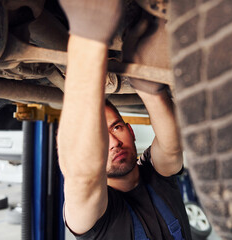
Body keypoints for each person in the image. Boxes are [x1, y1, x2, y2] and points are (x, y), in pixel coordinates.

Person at [56, 0, 192, 239]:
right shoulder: (94, 217)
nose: (114, 143)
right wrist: (88, 38)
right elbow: (83, 178)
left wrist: (148, 86)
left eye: (116, 128)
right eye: (101, 136)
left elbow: (171, 149)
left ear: (130, 131)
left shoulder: (156, 175)